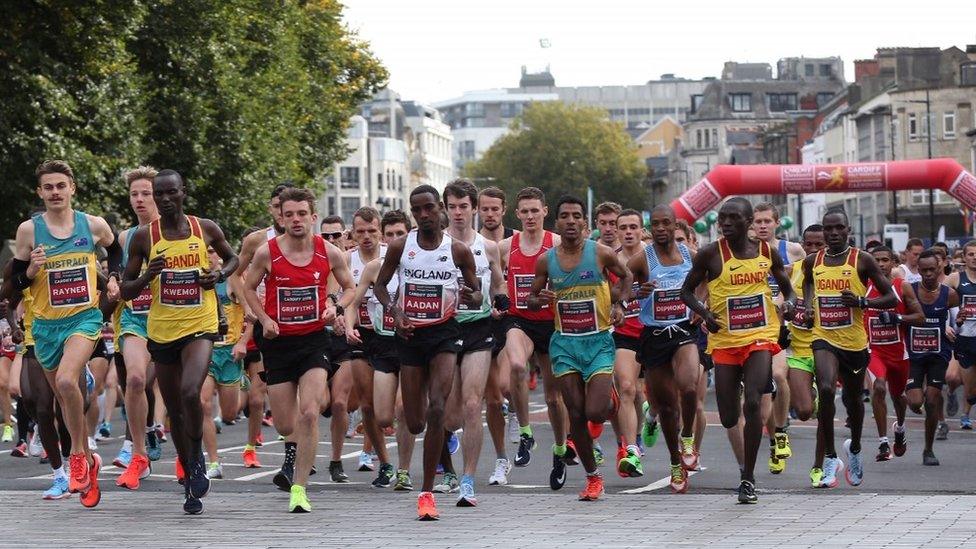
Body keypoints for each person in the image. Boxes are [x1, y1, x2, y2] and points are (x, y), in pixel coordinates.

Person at [121, 169, 239, 514]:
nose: (166, 199)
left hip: (200, 325)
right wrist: (148, 274)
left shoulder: (205, 228)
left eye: (172, 193)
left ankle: (198, 459)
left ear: (183, 192)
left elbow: (232, 259)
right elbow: (126, 289)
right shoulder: (145, 237)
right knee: (174, 410)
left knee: (191, 393)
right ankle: (189, 475)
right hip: (161, 330)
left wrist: (218, 274)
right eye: (160, 195)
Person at [11, 160, 120, 508]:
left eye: (61, 185)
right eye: (48, 187)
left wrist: (114, 276)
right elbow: (12, 285)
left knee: (66, 383)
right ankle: (88, 461)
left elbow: (116, 250)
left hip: (83, 319)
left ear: (72, 187)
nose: (55, 192)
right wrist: (30, 269)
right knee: (62, 399)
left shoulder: (92, 225)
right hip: (44, 326)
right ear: (40, 193)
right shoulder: (29, 231)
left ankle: (77, 453)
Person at [373, 184, 482, 520]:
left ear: (440, 210)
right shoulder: (400, 247)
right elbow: (380, 286)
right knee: (416, 420)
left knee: (437, 407)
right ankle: (437, 449)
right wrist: (395, 310)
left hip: (445, 334)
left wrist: (470, 296)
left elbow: (478, 294)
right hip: (410, 335)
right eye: (416, 210)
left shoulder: (458, 250)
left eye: (429, 208)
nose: (423, 215)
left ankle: (426, 493)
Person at [243, 188, 355, 513]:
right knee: (284, 424)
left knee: (309, 412)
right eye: (289, 214)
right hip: (278, 342)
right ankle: (294, 452)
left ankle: (300, 487)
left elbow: (349, 288)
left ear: (313, 217)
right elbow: (248, 287)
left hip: (313, 342)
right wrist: (263, 318)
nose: (295, 219)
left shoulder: (329, 252)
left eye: (301, 214)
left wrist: (334, 305)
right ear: (281, 217)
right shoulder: (268, 252)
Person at [679, 197, 795, 504]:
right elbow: (686, 291)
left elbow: (787, 287)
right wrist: (705, 314)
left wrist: (792, 304)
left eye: (733, 219)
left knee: (753, 403)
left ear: (748, 222)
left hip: (760, 335)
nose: (726, 224)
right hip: (726, 342)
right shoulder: (709, 254)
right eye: (722, 219)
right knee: (730, 416)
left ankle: (748, 477)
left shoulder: (766, 251)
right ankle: (746, 451)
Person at [527, 195, 631, 501]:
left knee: (595, 411)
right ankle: (592, 477)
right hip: (564, 344)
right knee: (575, 413)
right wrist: (539, 300)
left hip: (597, 340)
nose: (571, 221)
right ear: (556, 223)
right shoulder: (547, 260)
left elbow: (625, 277)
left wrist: (620, 303)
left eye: (576, 216)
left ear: (584, 222)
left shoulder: (600, 253)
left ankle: (609, 401)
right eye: (565, 217)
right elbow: (531, 298)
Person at [801, 210, 895, 489]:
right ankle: (830, 457)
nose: (832, 234)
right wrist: (808, 305)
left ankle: (853, 447)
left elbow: (890, 297)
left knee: (854, 402)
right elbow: (807, 282)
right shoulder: (813, 261)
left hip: (854, 342)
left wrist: (862, 303)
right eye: (828, 229)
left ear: (848, 230)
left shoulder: (862, 260)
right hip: (823, 336)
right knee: (827, 389)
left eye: (838, 228)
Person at [439, 179, 506, 505]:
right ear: (445, 209)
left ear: (474, 208)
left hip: (479, 330)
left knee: (471, 404)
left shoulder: (488, 247)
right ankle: (447, 458)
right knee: (448, 415)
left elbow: (499, 287)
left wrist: (499, 304)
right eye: (452, 206)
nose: (458, 212)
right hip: (445, 331)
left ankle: (467, 480)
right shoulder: (434, 246)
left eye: (463, 206)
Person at [498, 187, 569, 490]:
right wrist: (498, 295)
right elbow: (491, 276)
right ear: (517, 214)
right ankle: (525, 432)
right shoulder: (505, 246)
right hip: (520, 320)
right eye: (524, 211)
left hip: (552, 324)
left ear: (544, 211)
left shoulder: (557, 244)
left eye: (534, 211)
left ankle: (560, 450)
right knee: (515, 365)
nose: (529, 216)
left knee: (554, 398)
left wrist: (560, 293)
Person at [628, 205, 700, 492]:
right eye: (655, 224)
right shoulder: (641, 259)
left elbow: (705, 280)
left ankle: (688, 438)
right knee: (668, 407)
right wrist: (636, 292)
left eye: (665, 223)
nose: (660, 228)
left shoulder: (689, 256)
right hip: (654, 334)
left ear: (674, 226)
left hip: (683, 330)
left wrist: (699, 305)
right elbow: (619, 288)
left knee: (690, 385)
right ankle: (674, 463)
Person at [111, 166, 164, 489]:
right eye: (135, 194)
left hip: (172, 317)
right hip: (134, 317)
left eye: (147, 193)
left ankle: (190, 454)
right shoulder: (125, 236)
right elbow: (121, 276)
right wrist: (115, 285)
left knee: (178, 391)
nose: (140, 199)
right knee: (134, 379)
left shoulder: (179, 231)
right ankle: (139, 454)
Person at [339, 206, 397, 488]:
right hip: (363, 336)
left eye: (372, 231)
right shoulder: (347, 260)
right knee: (367, 404)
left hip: (393, 336)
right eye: (360, 231)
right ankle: (384, 462)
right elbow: (350, 300)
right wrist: (348, 325)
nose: (366, 237)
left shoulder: (393, 255)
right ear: (352, 232)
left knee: (396, 405)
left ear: (380, 231)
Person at [751, 203, 805, 474]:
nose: (762, 226)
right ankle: (774, 441)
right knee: (763, 390)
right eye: (757, 221)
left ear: (776, 223)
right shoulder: (745, 252)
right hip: (752, 328)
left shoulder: (792, 250)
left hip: (781, 326)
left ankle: (781, 431)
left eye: (766, 221)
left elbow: (806, 281)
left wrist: (790, 302)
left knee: (779, 377)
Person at [864, 245, 923, 463]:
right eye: (876, 260)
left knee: (899, 397)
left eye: (884, 260)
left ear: (893, 263)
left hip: (899, 353)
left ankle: (900, 428)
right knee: (879, 387)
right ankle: (882, 442)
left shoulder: (903, 287)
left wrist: (898, 319)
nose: (880, 264)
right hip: (875, 351)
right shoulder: (865, 287)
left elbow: (920, 317)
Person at [477, 186, 518, 485]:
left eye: (495, 209)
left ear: (503, 210)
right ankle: (502, 459)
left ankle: (517, 413)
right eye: (485, 209)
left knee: (507, 383)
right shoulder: (469, 243)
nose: (490, 214)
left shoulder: (516, 241)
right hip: (481, 322)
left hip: (513, 320)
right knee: (492, 399)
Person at [907, 250, 959, 466]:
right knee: (916, 401)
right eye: (924, 270)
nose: (928, 274)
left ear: (940, 269)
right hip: (914, 355)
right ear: (918, 270)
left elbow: (959, 321)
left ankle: (928, 450)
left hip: (939, 354)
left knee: (931, 401)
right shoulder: (910, 291)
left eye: (932, 270)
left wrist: (951, 326)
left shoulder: (950, 294)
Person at [785, 224, 827, 486]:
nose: (812, 250)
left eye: (818, 245)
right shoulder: (794, 272)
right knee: (802, 411)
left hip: (827, 348)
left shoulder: (835, 273)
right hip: (798, 349)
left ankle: (819, 466)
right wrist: (788, 310)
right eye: (808, 245)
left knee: (824, 414)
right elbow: (784, 301)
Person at [609, 209, 650, 478]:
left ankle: (656, 423)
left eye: (633, 227)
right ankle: (631, 449)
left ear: (641, 229)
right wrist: (615, 304)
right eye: (622, 227)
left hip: (656, 331)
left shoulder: (656, 255)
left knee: (658, 396)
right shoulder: (610, 260)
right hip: (625, 334)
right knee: (626, 388)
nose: (627, 232)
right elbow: (605, 294)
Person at [201, 246, 247, 479]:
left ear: (219, 255)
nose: (207, 255)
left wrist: (243, 343)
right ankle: (213, 461)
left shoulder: (231, 281)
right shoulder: (194, 279)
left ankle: (242, 384)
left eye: (211, 250)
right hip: (205, 351)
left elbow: (252, 315)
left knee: (229, 414)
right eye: (203, 250)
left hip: (229, 353)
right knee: (203, 404)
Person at [945, 240, 976, 432]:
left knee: (973, 387)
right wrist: (945, 325)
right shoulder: (956, 278)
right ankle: (951, 393)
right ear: (964, 257)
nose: (975, 258)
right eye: (971, 254)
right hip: (963, 337)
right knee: (968, 383)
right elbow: (937, 299)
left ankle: (965, 415)